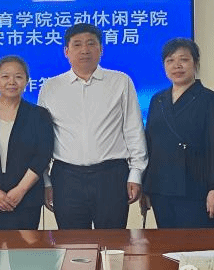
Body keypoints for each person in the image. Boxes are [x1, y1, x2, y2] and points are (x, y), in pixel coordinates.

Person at [38, 23, 147, 230]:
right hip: (66, 178)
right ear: (66, 51)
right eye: (77, 44)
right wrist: (46, 181)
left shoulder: (120, 81)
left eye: (91, 43)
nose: (85, 50)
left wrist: (136, 174)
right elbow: (43, 139)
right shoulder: (50, 87)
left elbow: (133, 130)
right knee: (72, 243)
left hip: (111, 175)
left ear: (101, 49)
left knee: (113, 241)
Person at [141, 38, 214, 228]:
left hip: (196, 189)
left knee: (198, 245)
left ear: (195, 63)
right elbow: (150, 144)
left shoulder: (210, 100)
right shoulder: (158, 100)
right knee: (166, 243)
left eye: (184, 59)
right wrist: (145, 186)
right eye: (170, 60)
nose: (177, 66)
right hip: (161, 189)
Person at [0, 55, 54, 230]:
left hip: (26, 198)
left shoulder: (39, 115)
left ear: (27, 81)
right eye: (5, 76)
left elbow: (42, 156)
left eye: (18, 76)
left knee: (26, 247)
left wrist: (20, 190)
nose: (12, 82)